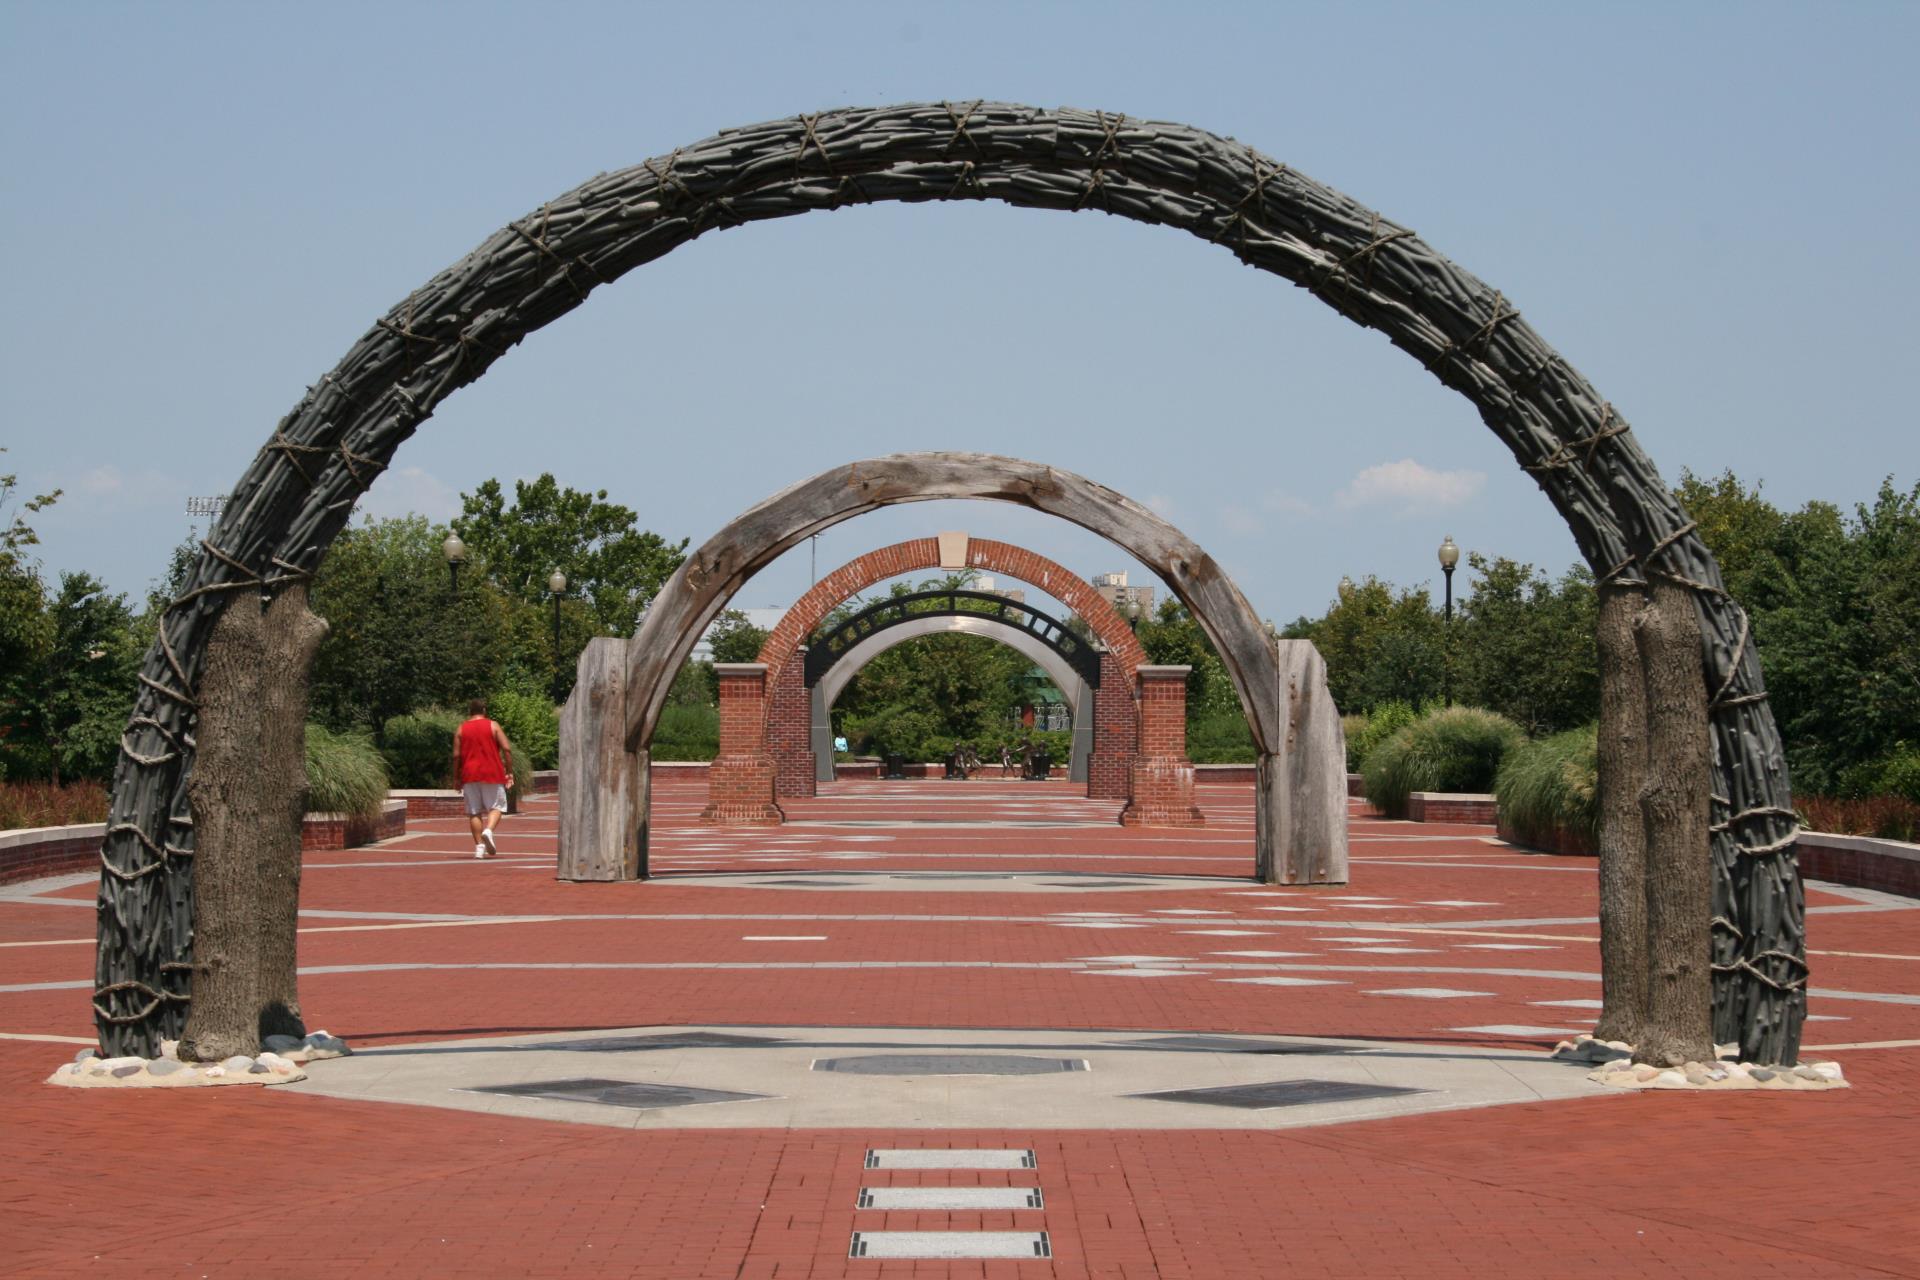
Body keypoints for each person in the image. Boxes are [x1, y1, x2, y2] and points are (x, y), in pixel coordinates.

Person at [454, 698, 514, 859]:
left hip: (469, 774)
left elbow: (456, 755)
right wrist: (509, 771)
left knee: (474, 811)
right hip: (492, 772)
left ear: (470, 711)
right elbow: (507, 749)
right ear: (484, 710)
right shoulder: (493, 725)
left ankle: (479, 848)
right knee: (497, 806)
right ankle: (489, 830)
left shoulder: (461, 728)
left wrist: (456, 777)